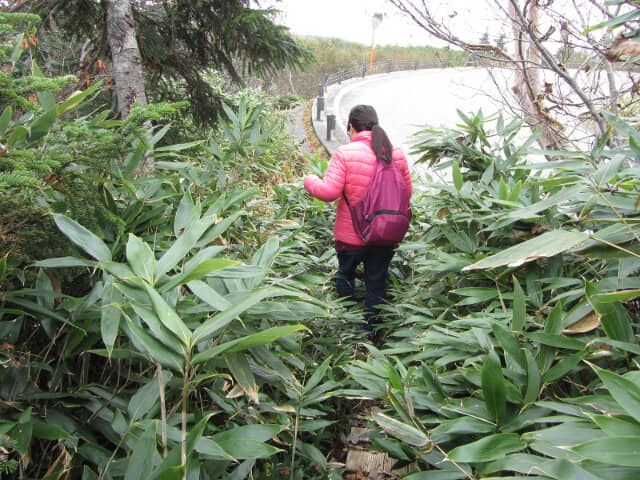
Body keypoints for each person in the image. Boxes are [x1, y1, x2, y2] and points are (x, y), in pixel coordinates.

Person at [304, 104, 413, 336]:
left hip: (351, 237)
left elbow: (329, 192)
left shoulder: (345, 153)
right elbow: (407, 194)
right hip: (385, 235)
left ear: (352, 127)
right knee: (376, 282)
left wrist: (310, 180)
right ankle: (370, 331)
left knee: (345, 275)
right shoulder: (395, 154)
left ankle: (346, 327)